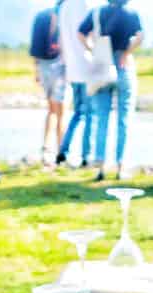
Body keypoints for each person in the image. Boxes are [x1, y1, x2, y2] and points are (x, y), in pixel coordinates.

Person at [79, 0, 143, 183]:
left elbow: (80, 33)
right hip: (124, 65)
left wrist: (92, 49)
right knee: (124, 119)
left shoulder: (97, 12)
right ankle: (121, 166)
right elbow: (139, 36)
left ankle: (100, 166)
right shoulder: (131, 13)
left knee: (102, 118)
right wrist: (127, 53)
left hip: (102, 65)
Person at [57, 0, 95, 168]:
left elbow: (62, 38)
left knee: (78, 113)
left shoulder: (64, 6)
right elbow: (91, 34)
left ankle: (63, 151)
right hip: (87, 66)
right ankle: (86, 156)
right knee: (89, 114)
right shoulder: (87, 4)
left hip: (72, 67)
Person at [31, 4, 66, 167]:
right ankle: (60, 151)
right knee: (60, 111)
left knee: (52, 110)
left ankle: (47, 149)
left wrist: (36, 70)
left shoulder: (41, 16)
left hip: (44, 66)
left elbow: (34, 48)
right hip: (58, 65)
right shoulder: (64, 17)